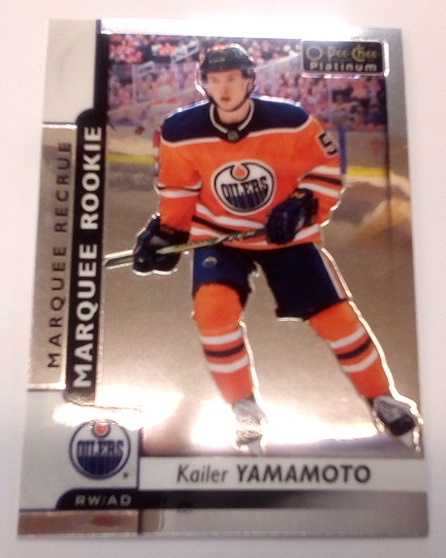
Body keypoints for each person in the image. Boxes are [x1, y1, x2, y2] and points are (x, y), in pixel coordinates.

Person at [132, 44, 420, 450]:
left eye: (232, 79)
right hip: (220, 235)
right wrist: (168, 235)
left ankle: (382, 397)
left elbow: (325, 170)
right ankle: (244, 407)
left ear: (249, 80)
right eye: (215, 80)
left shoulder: (291, 120)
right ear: (204, 85)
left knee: (335, 318)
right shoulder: (181, 130)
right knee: (213, 313)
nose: (224, 88)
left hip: (286, 236)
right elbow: (179, 190)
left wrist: (303, 204)